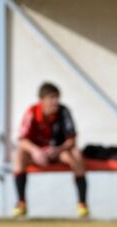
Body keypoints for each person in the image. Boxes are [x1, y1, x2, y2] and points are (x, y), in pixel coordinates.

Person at [12, 82, 88, 218]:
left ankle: (82, 204)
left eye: (57, 97)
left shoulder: (63, 111)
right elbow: (22, 140)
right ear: (42, 100)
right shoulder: (32, 112)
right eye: (52, 98)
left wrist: (58, 149)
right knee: (19, 154)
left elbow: (72, 140)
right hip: (38, 154)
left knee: (76, 154)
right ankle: (21, 203)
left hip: (58, 153)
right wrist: (36, 151)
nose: (55, 101)